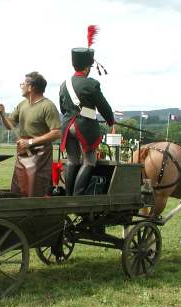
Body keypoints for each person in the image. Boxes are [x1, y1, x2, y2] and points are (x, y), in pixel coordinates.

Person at [0, 71, 61, 197]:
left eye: (23, 83)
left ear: (31, 87)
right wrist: (2, 114)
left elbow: (57, 133)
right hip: (22, 152)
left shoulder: (48, 106)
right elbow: (9, 126)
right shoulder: (22, 105)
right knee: (17, 190)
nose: (21, 86)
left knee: (35, 191)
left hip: (39, 155)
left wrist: (30, 142)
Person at [59, 47, 115, 196]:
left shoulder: (64, 84)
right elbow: (103, 106)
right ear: (86, 68)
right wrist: (110, 121)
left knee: (72, 160)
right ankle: (78, 196)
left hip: (67, 126)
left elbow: (63, 108)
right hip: (84, 126)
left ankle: (68, 195)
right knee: (90, 160)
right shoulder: (91, 84)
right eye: (89, 67)